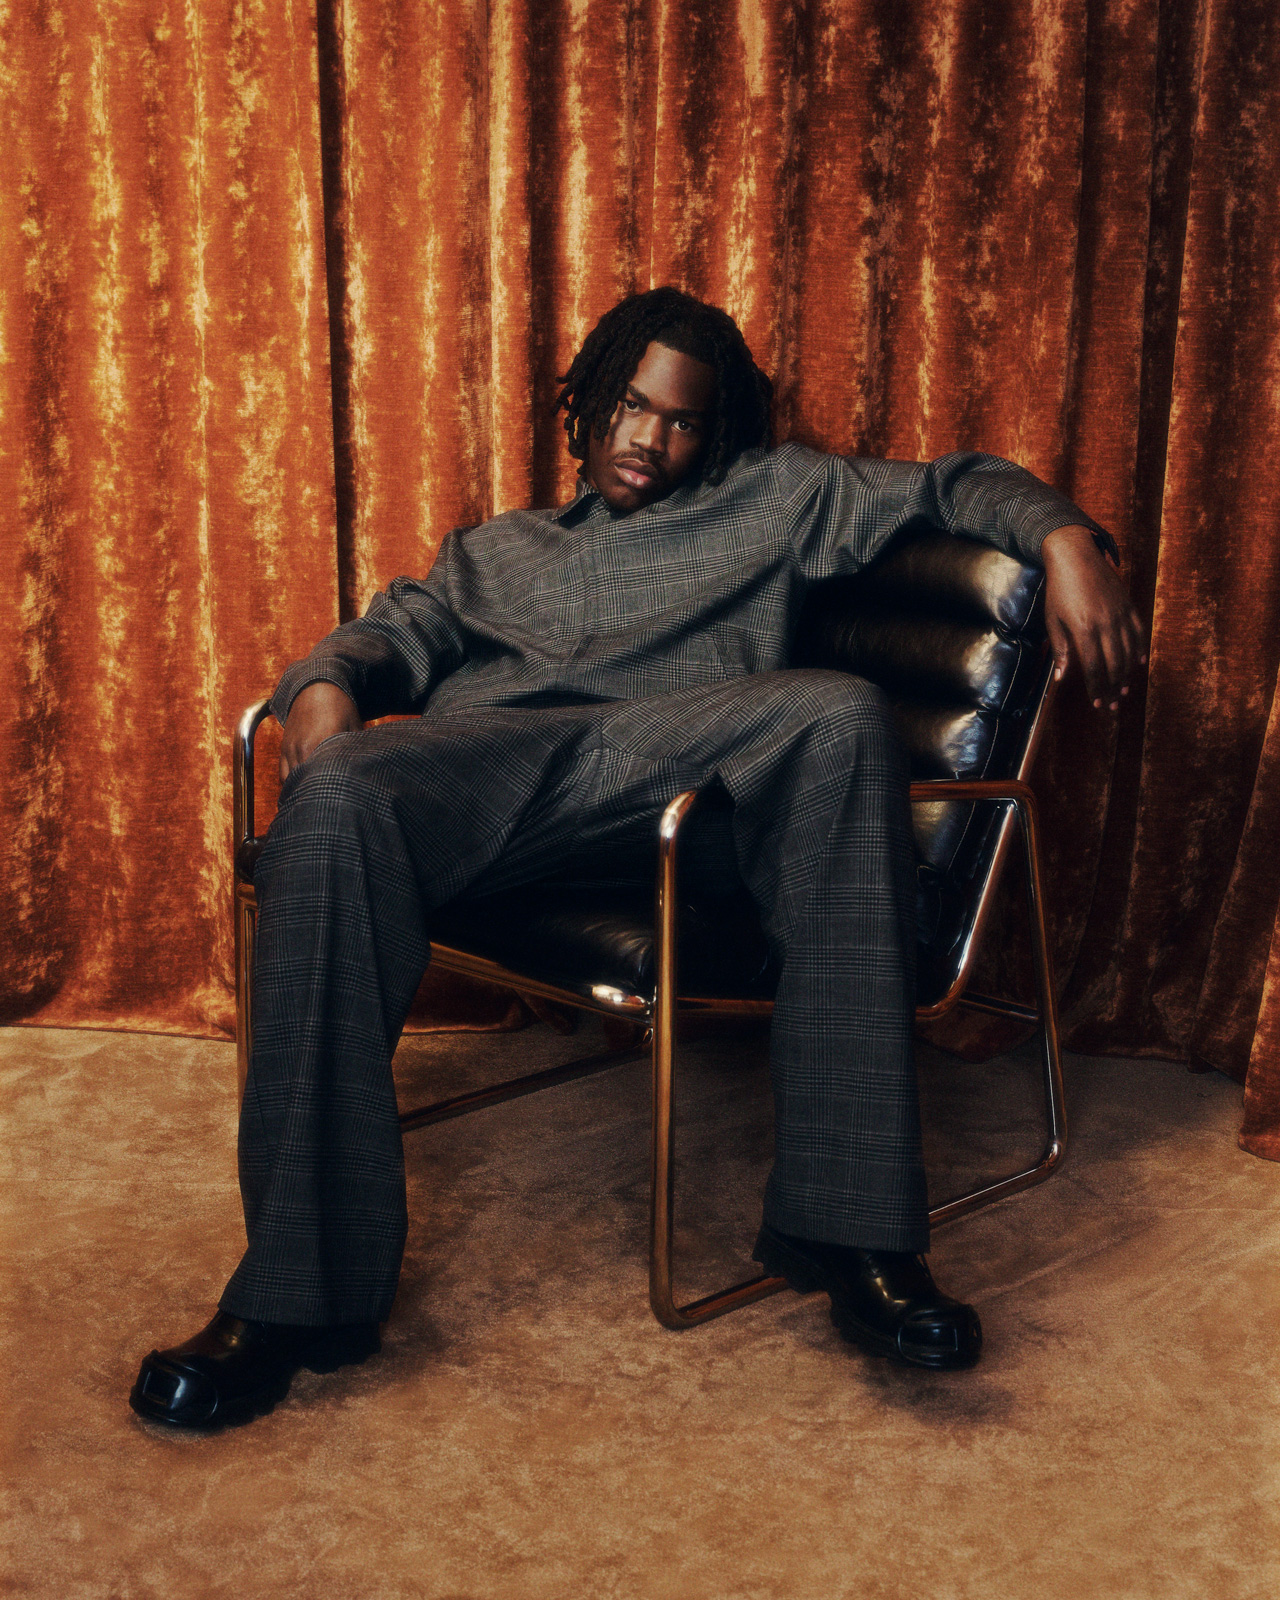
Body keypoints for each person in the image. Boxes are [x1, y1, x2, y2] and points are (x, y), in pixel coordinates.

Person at [130, 288, 1144, 1428]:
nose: (647, 439)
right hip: (501, 788)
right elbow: (383, 634)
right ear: (590, 402)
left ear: (714, 433)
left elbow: (952, 485)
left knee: (835, 711)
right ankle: (295, 1296)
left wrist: (1065, 539)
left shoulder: (778, 496)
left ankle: (851, 1232)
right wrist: (322, 687)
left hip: (673, 784)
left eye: (680, 420)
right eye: (630, 406)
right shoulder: (494, 552)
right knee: (340, 790)